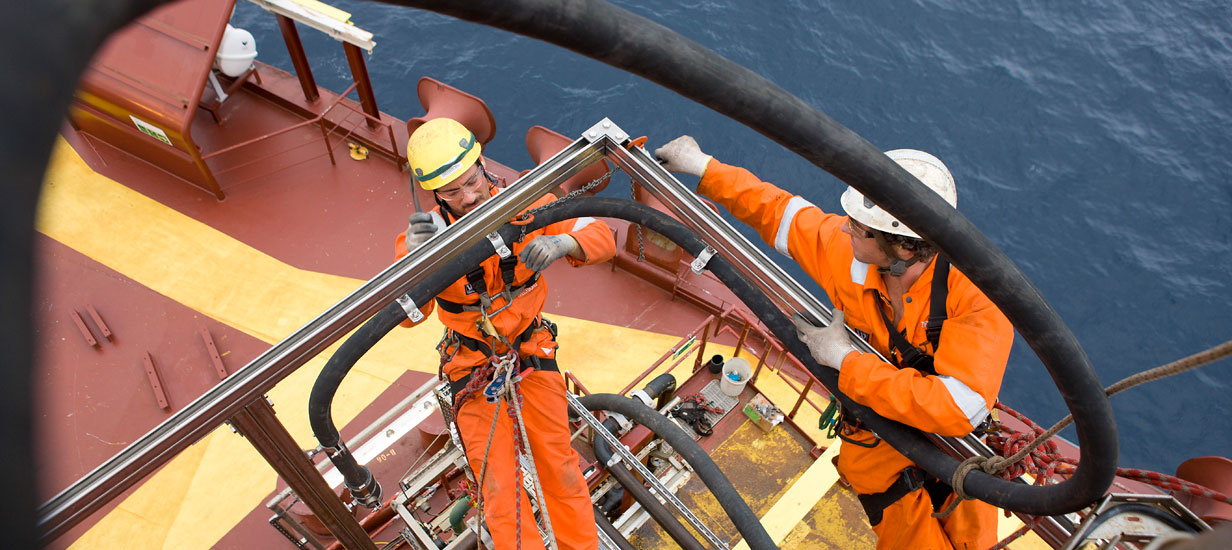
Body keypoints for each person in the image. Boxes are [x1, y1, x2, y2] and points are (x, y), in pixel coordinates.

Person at [656, 136, 1013, 550]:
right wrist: (703, 166)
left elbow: (960, 408)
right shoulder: (855, 255)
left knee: (974, 538)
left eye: (858, 227)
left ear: (899, 245)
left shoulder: (977, 299)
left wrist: (846, 361)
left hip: (955, 451)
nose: (846, 228)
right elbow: (782, 214)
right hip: (882, 458)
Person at [397, 118, 615, 550]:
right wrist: (416, 260)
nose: (469, 195)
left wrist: (565, 244)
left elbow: (603, 233)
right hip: (473, 367)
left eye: (471, 180)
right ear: (434, 195)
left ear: (482, 166)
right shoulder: (423, 241)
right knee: (499, 487)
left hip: (531, 353)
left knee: (561, 468)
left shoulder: (530, 205)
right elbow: (407, 315)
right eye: (452, 192)